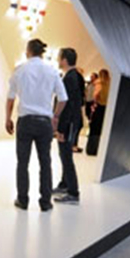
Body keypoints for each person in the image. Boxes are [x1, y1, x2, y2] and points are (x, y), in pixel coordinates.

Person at [6, 39, 68, 212]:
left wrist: (8, 118)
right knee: (45, 163)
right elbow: (63, 98)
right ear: (42, 52)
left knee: (22, 163)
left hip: (25, 122)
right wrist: (55, 116)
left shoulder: (19, 71)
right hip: (44, 123)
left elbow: (10, 98)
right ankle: (45, 202)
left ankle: (22, 200)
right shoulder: (52, 71)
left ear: (28, 51)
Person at [52, 48, 84, 204]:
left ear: (64, 60)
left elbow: (68, 105)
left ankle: (73, 192)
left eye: (59, 58)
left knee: (66, 156)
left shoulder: (70, 79)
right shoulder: (76, 76)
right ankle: (64, 185)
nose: (58, 60)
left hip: (68, 123)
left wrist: (61, 128)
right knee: (65, 155)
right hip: (73, 122)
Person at [86, 68, 110, 156]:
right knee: (101, 129)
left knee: (94, 129)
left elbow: (95, 95)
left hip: (98, 107)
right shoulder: (109, 84)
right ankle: (99, 149)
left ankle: (91, 149)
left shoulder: (98, 83)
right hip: (105, 108)